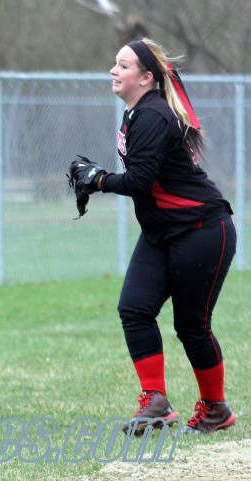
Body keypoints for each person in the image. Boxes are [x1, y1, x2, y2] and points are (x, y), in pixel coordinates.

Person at [71, 38, 236, 435]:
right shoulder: (137, 112)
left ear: (146, 77)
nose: (113, 71)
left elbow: (140, 181)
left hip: (201, 230)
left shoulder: (152, 115)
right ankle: (156, 402)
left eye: (123, 66)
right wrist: (100, 178)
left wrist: (99, 180)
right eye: (115, 63)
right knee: (134, 308)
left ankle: (216, 409)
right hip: (162, 232)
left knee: (192, 325)